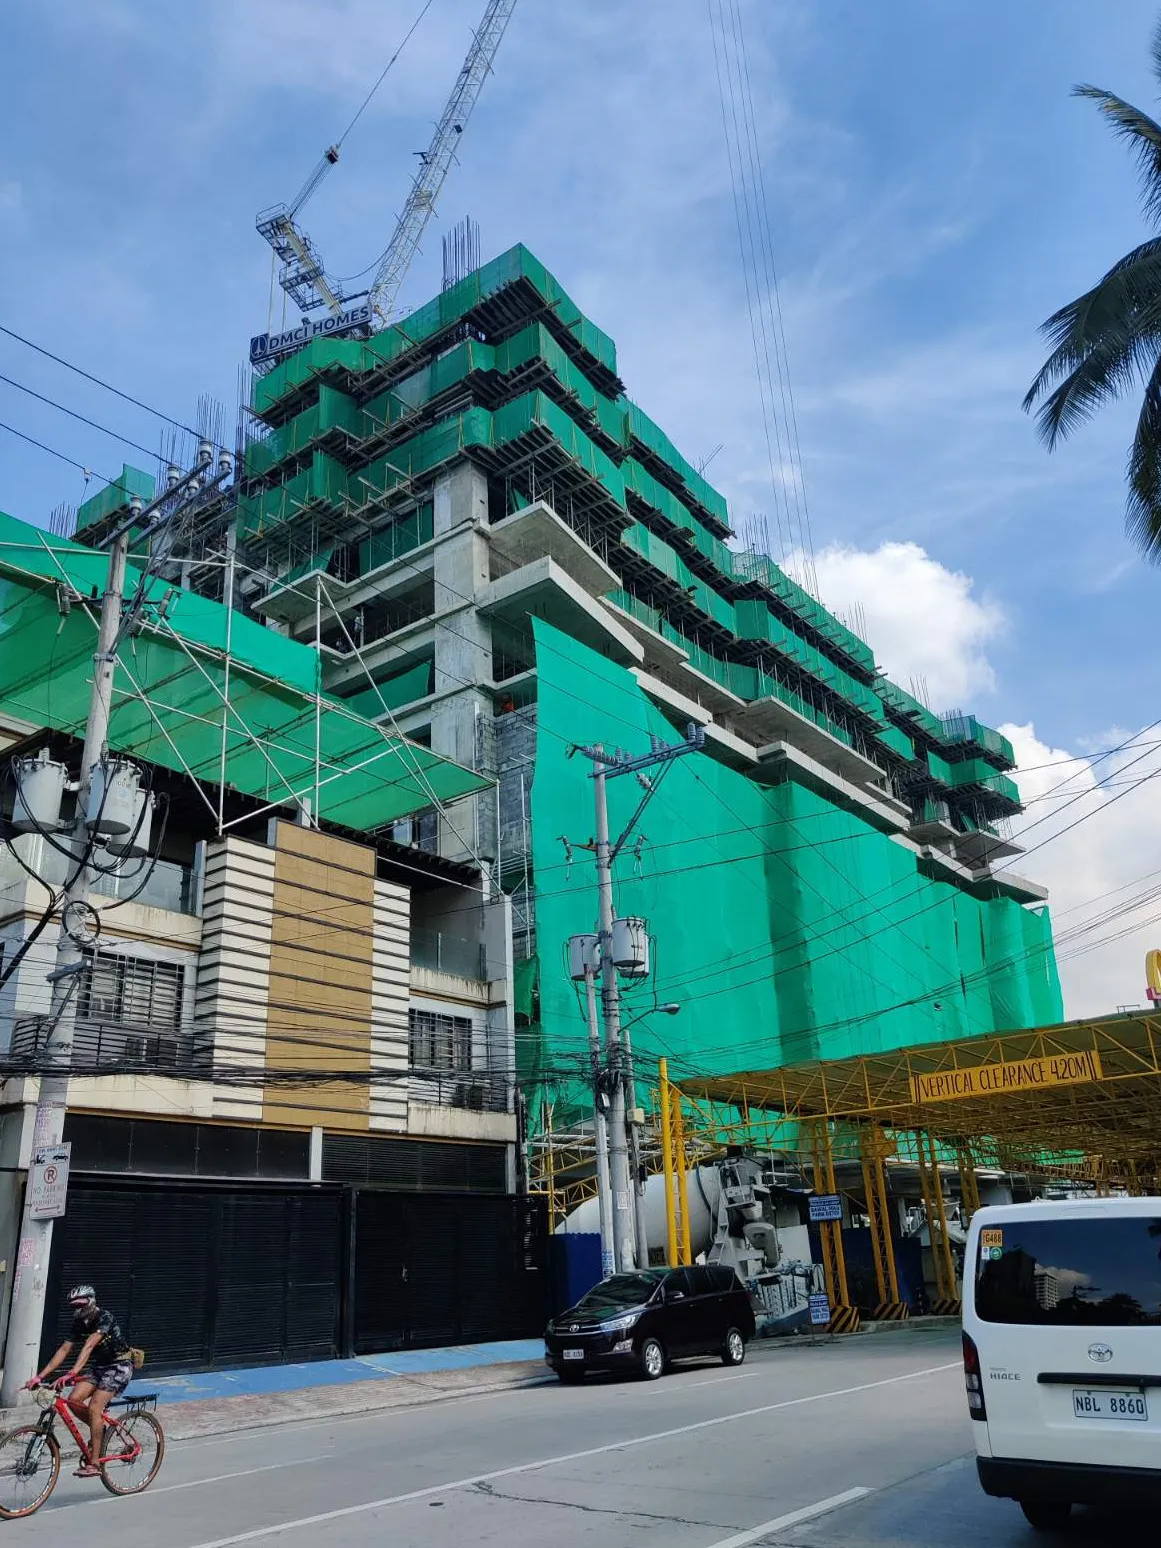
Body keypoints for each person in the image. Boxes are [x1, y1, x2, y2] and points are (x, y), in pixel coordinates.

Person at [24, 1284, 135, 1478]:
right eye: (74, 1305)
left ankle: (95, 1463)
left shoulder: (104, 1317)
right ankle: (99, 1428)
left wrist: (72, 1373)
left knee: (94, 1408)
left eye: (80, 1304)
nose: (77, 1308)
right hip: (99, 1367)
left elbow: (89, 1345)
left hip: (119, 1366)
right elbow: (64, 1349)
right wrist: (40, 1376)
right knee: (73, 1400)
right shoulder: (79, 1323)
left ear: (91, 1301)